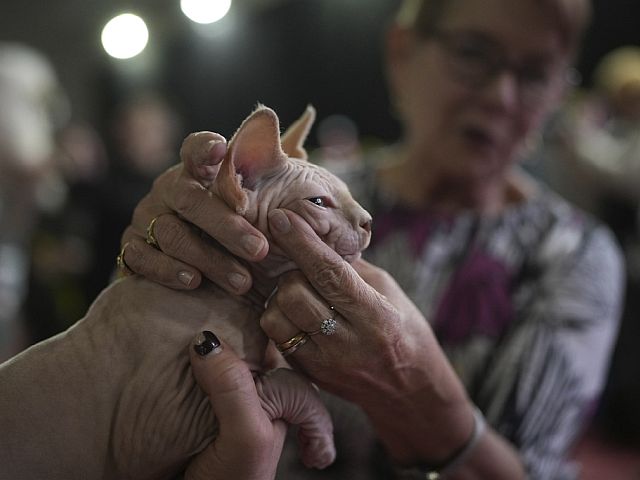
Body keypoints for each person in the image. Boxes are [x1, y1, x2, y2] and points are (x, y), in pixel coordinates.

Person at [119, 0, 624, 478]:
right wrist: (149, 249)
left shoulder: (575, 256)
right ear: (402, 53)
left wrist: (413, 395)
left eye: (535, 73)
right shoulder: (304, 188)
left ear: (559, 92)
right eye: (473, 53)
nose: (501, 95)